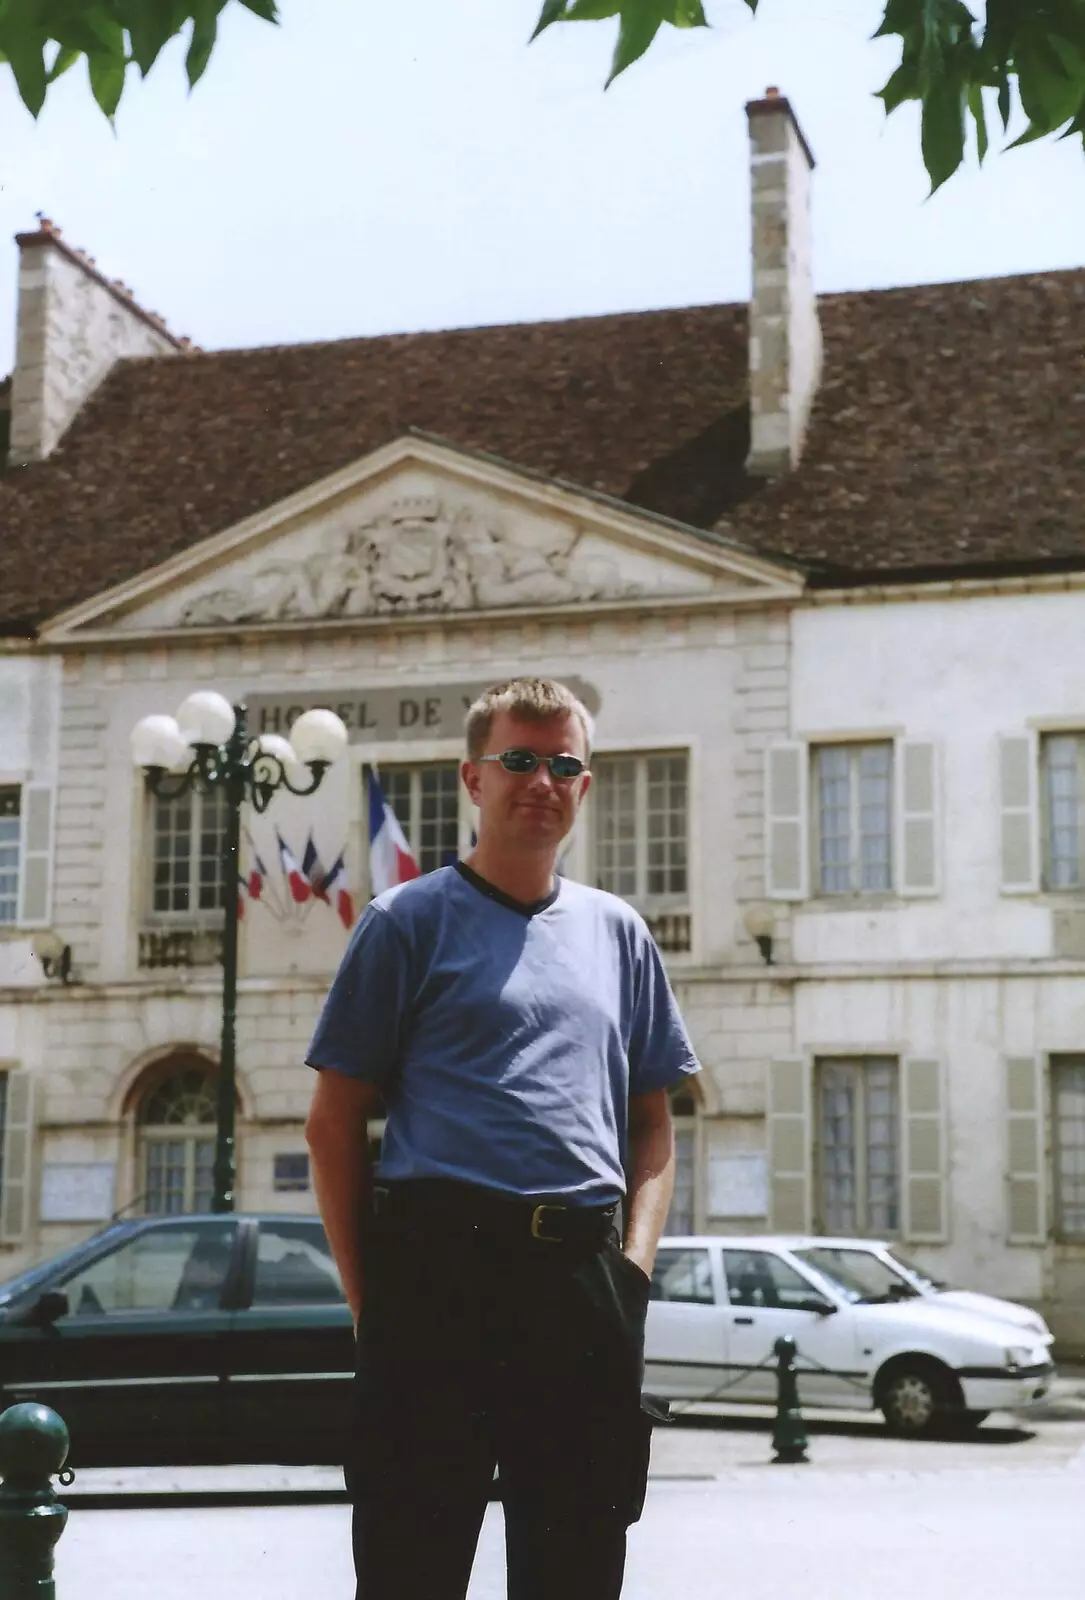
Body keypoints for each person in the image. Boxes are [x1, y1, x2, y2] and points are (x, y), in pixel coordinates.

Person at [305, 676, 700, 1600]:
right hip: (435, 1278)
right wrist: (375, 1301)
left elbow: (652, 1129)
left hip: (578, 1283)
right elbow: (332, 1127)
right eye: (518, 759)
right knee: (412, 1564)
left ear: (584, 785)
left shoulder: (619, 934)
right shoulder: (406, 921)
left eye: (564, 763)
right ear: (471, 779)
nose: (543, 779)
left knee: (575, 1565)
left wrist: (629, 1275)